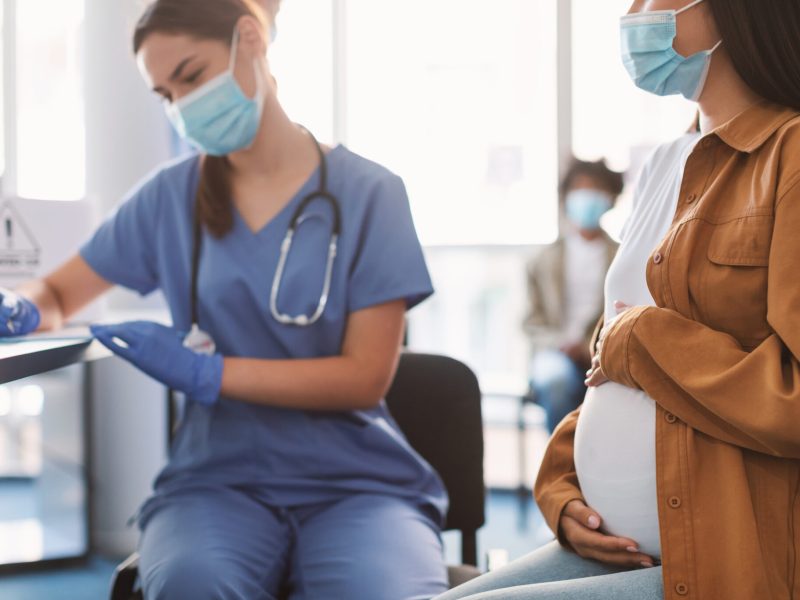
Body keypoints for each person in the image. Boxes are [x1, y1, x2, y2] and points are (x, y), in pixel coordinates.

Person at [0, 1, 449, 598]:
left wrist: (207, 373)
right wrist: (25, 305)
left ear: (250, 41)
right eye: (165, 93)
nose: (183, 105)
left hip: (356, 485)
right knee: (191, 585)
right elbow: (59, 290)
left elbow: (364, 377)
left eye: (190, 75)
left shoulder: (370, 193)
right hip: (217, 482)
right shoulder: (169, 198)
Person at [438, 0, 800, 598]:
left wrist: (643, 337)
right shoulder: (665, 164)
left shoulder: (789, 155)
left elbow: (639, 348)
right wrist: (564, 485)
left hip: (718, 557)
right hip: (626, 544)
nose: (633, 13)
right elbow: (619, 373)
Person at [522, 159, 622, 433]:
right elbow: (531, 322)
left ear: (610, 197)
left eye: (595, 188)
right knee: (555, 382)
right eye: (579, 188)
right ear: (566, 198)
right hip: (555, 353)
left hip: (607, 352)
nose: (586, 196)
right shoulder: (542, 261)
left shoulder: (624, 256)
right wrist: (561, 343)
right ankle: (562, 466)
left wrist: (593, 347)